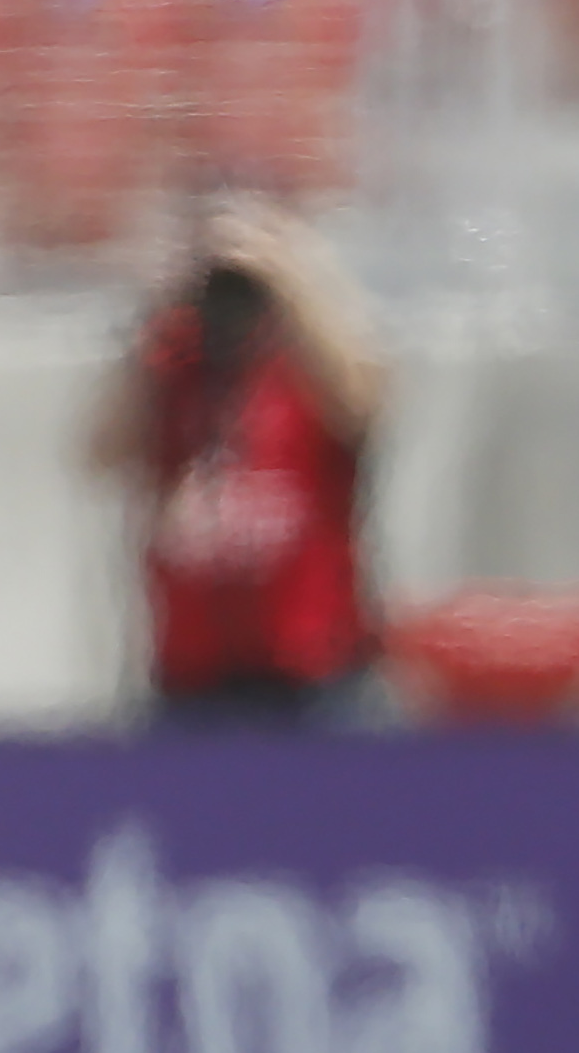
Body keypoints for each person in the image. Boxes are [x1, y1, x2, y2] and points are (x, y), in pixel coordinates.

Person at [97, 194, 386, 722]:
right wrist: (163, 300)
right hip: (193, 669)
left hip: (311, 670)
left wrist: (287, 272)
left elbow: (363, 401)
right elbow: (101, 452)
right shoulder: (174, 364)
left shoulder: (307, 365)